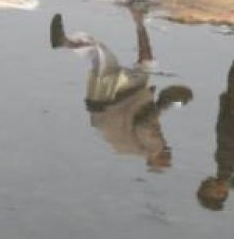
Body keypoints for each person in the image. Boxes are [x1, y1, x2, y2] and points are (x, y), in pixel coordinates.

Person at [50, 11, 192, 171]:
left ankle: (139, 21)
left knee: (144, 63)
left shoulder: (154, 147)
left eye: (165, 159)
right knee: (101, 55)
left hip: (117, 102)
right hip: (100, 109)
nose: (168, 154)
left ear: (156, 158)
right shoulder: (132, 150)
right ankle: (65, 41)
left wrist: (164, 104)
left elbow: (144, 124)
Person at [197, 61, 234, 211]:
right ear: (219, 193)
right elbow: (226, 136)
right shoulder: (226, 168)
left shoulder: (224, 168)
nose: (203, 182)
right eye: (205, 187)